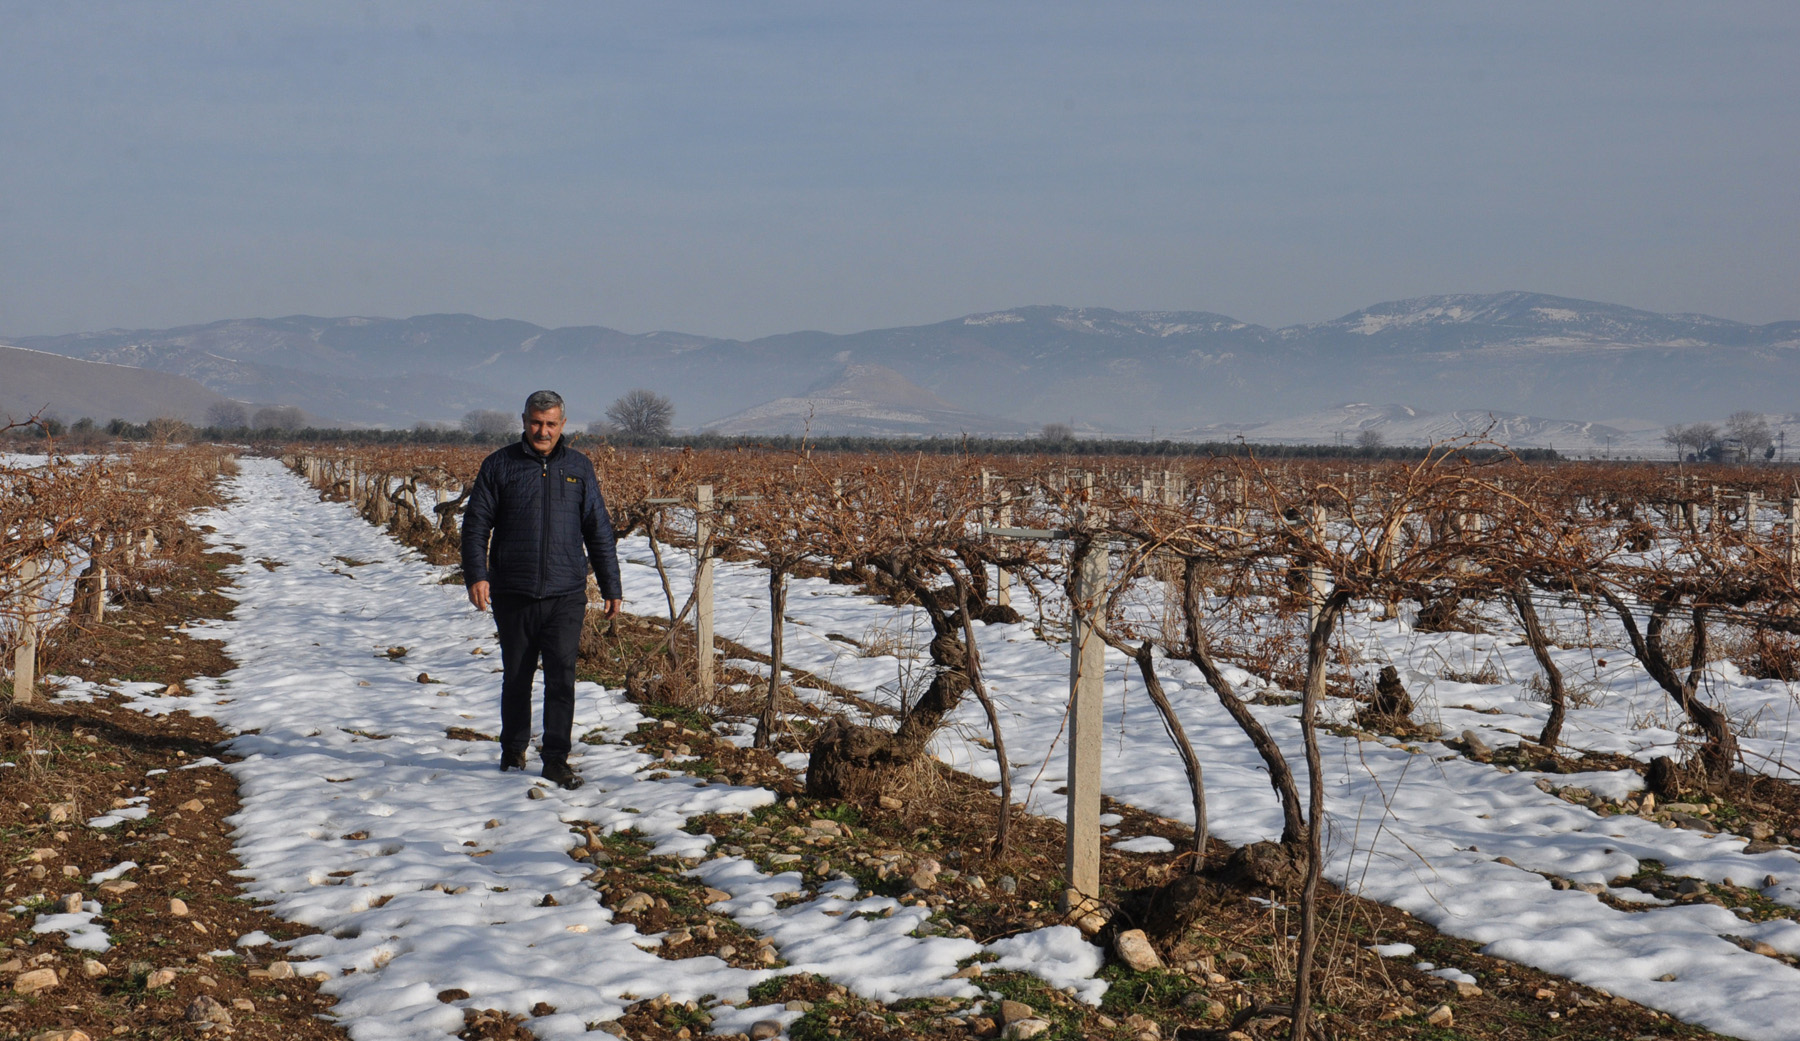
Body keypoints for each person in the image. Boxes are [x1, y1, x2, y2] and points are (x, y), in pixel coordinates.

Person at [461, 390, 623, 789]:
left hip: (566, 592)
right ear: (524, 420)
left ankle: (555, 758)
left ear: (563, 425)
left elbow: (598, 530)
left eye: (551, 424)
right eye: (536, 422)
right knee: (517, 675)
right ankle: (513, 749)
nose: (543, 430)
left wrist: (610, 584)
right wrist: (476, 575)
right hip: (513, 590)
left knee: (561, 677)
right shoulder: (500, 465)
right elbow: (476, 523)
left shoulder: (579, 468)